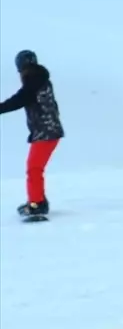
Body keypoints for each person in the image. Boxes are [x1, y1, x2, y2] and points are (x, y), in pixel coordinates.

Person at [0, 50, 64, 219]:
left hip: (46, 132)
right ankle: (38, 201)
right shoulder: (39, 79)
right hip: (47, 131)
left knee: (34, 168)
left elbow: (19, 99)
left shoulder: (34, 81)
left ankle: (36, 205)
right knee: (35, 168)